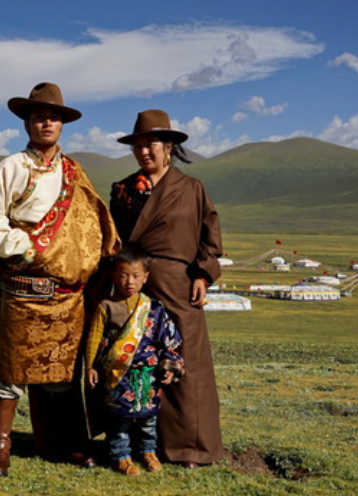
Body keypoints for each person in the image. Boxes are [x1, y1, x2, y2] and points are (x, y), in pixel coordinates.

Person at [0, 82, 120, 477]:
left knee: (62, 376)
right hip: (23, 290)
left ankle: (66, 445)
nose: (46, 123)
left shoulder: (74, 172)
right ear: (27, 122)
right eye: (39, 116)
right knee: (9, 373)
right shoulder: (10, 168)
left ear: (62, 124)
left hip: (67, 296)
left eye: (53, 117)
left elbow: (94, 223)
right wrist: (31, 247)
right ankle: (0, 451)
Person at [109, 109, 223, 468]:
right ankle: (132, 445)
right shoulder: (124, 191)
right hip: (134, 284)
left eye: (152, 144)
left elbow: (210, 237)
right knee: (132, 362)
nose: (145, 152)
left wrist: (203, 275)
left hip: (178, 285)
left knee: (186, 363)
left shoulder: (192, 188)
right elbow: (113, 239)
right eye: (138, 145)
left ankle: (190, 447)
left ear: (169, 147)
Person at [85, 246, 185, 476]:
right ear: (113, 275)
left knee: (148, 419)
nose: (129, 281)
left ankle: (148, 452)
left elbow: (167, 341)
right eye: (123, 274)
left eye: (136, 276)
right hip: (117, 375)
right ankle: (121, 456)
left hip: (148, 374)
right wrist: (90, 366)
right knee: (119, 420)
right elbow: (93, 339)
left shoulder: (154, 308)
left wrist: (169, 366)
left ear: (145, 277)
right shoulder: (106, 306)